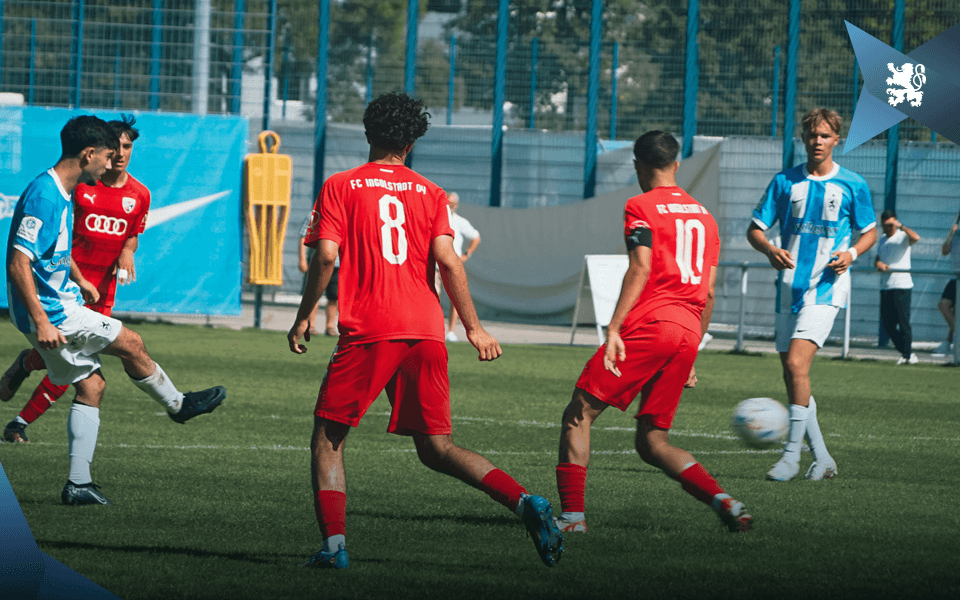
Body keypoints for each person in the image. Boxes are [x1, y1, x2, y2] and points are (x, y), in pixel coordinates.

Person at [287, 92, 563, 569]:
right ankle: (525, 502)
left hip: (371, 327)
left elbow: (326, 256)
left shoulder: (341, 186)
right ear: (412, 142)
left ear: (368, 134)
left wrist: (304, 313)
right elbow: (449, 261)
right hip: (426, 328)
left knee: (328, 438)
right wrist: (474, 328)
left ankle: (334, 550)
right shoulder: (432, 193)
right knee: (437, 448)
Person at [4, 115, 225, 505]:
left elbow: (49, 252)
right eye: (106, 156)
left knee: (92, 385)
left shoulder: (61, 191)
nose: (111, 164)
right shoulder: (46, 194)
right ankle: (178, 405)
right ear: (88, 154)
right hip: (54, 312)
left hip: (60, 302)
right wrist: (41, 320)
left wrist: (79, 280)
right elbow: (18, 262)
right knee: (132, 342)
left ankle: (78, 485)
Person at [554, 131, 752, 535]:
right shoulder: (705, 216)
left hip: (652, 325)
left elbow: (640, 267)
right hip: (687, 331)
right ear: (676, 164)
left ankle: (572, 519)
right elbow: (710, 291)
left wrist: (613, 327)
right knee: (652, 442)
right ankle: (726, 501)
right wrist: (694, 348)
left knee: (579, 414)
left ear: (638, 166)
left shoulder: (640, 204)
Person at [1, 115, 151, 443]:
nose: (121, 154)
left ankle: (24, 369)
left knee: (76, 362)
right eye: (115, 148)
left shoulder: (140, 194)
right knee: (86, 368)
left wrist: (128, 249)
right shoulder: (79, 185)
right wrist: (74, 277)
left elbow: (133, 234)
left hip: (102, 287)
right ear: (96, 151)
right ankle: (20, 424)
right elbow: (37, 249)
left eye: (127, 147)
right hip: (67, 284)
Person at [747, 108, 876, 482]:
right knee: (794, 377)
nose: (817, 142)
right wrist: (769, 250)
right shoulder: (784, 182)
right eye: (811, 135)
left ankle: (790, 459)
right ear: (803, 139)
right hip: (788, 288)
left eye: (824, 135)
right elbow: (755, 229)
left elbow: (869, 232)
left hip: (826, 288)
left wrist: (852, 253)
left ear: (836, 139)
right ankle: (822, 458)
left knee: (796, 366)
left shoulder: (853, 184)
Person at [874, 210, 920, 365]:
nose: (887, 228)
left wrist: (901, 226)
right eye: (884, 224)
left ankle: (907, 355)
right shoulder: (881, 239)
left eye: (890, 224)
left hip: (902, 285)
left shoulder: (902, 237)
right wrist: (878, 264)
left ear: (895, 223)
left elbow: (916, 238)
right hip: (886, 286)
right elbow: (878, 258)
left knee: (903, 322)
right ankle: (907, 352)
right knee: (887, 324)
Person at [443, 191, 480, 342]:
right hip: (437, 265)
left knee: (456, 298)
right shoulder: (436, 218)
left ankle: (451, 331)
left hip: (454, 265)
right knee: (433, 297)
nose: (450, 207)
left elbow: (475, 237)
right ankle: (435, 329)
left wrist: (466, 254)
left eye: (452, 204)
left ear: (456, 205)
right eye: (448, 203)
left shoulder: (459, 221)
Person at [297, 214, 339, 337]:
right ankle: (310, 326)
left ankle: (330, 327)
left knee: (334, 297)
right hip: (317, 262)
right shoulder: (314, 215)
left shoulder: (343, 215)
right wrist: (302, 259)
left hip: (337, 264)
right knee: (313, 296)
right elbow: (303, 237)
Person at [932, 215, 960, 357]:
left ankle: (949, 342)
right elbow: (945, 251)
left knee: (957, 312)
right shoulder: (956, 234)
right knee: (943, 305)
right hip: (955, 277)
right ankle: (954, 337)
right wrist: (951, 233)